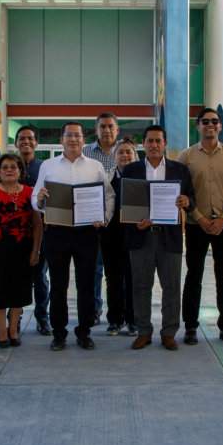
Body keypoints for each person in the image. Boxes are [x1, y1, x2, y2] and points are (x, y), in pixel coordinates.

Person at [32, 121, 115, 351]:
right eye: (68, 135)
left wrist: (105, 217)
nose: (73, 139)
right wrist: (39, 201)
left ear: (83, 140)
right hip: (56, 232)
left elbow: (109, 195)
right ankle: (59, 333)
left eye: (77, 135)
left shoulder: (95, 166)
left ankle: (84, 332)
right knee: (58, 285)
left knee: (86, 284)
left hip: (86, 233)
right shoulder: (48, 165)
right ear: (61, 140)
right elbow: (34, 197)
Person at [124, 126, 195, 351]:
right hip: (140, 236)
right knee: (141, 286)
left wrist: (187, 202)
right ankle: (143, 332)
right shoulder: (131, 169)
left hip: (169, 236)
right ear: (143, 144)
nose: (154, 145)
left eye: (158, 141)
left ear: (165, 144)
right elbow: (123, 203)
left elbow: (192, 197)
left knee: (171, 286)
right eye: (150, 141)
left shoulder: (179, 170)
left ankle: (169, 333)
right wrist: (134, 223)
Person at [178, 108, 223, 346]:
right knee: (193, 275)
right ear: (198, 126)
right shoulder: (186, 156)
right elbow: (181, 191)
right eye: (205, 121)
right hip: (196, 224)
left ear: (220, 126)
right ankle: (190, 326)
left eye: (215, 121)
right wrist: (199, 217)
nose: (210, 125)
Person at [0, 154, 42, 348]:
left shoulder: (30, 192)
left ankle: (13, 330)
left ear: (20, 171)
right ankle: (2, 331)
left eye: (13, 167)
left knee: (18, 291)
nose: (9, 170)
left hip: (23, 251)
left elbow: (37, 224)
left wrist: (36, 249)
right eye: (4, 167)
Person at [83, 112, 119, 326]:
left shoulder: (125, 151)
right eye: (102, 126)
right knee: (94, 267)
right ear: (96, 129)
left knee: (117, 270)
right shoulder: (85, 152)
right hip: (92, 219)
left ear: (117, 129)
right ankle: (95, 308)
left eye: (110, 126)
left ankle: (119, 311)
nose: (106, 130)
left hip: (119, 221)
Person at [99, 137, 138, 336]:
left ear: (135, 156)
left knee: (133, 278)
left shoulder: (141, 181)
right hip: (110, 237)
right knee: (113, 279)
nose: (125, 155)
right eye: (120, 152)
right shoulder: (106, 181)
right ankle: (114, 320)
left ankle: (132, 320)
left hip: (135, 236)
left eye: (128, 152)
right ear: (114, 157)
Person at [16, 125, 52, 335]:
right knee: (17, 276)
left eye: (30, 138)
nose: (26, 142)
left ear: (36, 143)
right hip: (16, 231)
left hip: (42, 230)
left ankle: (42, 318)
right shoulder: (9, 166)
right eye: (22, 138)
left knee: (40, 277)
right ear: (16, 143)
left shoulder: (44, 167)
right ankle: (15, 318)